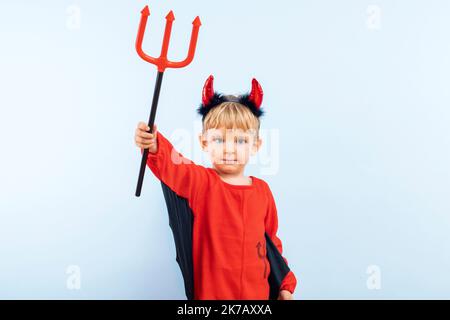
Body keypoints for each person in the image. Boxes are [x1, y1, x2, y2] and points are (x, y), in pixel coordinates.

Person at [134, 75, 297, 300]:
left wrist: (284, 286)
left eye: (240, 141)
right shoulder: (201, 182)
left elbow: (271, 242)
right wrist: (153, 144)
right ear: (204, 143)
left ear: (255, 146)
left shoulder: (262, 191)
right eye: (219, 140)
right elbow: (172, 165)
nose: (229, 149)